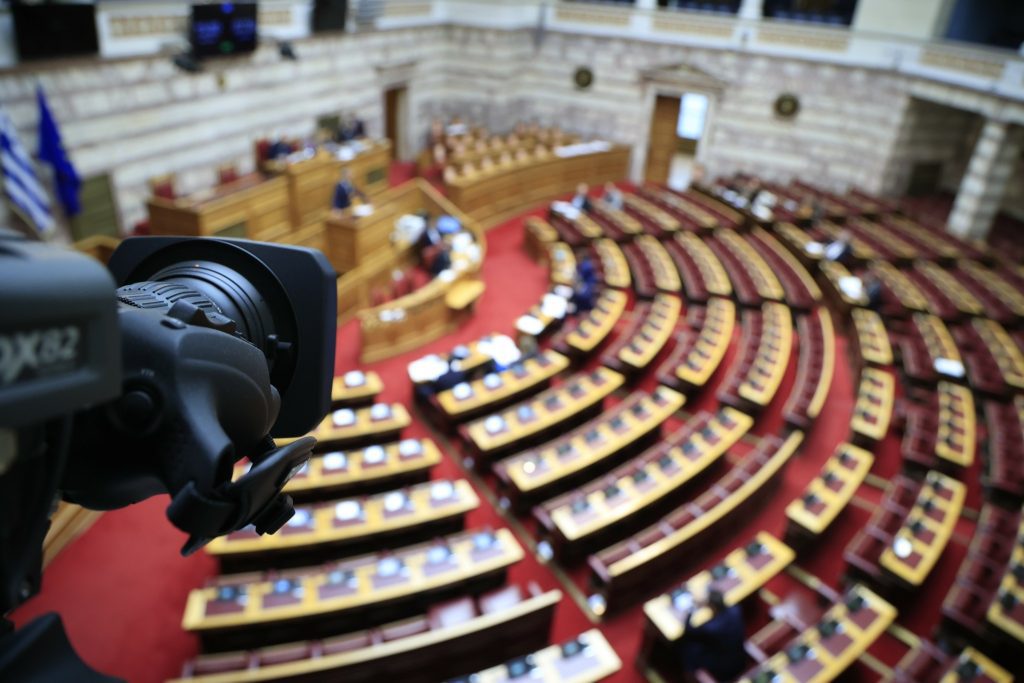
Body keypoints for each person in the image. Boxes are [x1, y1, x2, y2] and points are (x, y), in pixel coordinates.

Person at [678, 589, 746, 682]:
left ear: (711, 606)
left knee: (689, 647)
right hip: (740, 657)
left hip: (725, 667)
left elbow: (688, 630)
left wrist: (692, 609)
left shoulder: (711, 628)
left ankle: (689, 674)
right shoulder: (736, 610)